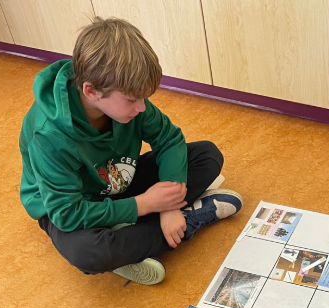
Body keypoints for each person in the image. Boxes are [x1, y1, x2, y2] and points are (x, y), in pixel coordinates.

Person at [19, 17, 243, 285]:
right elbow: (66, 214)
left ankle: (138, 236)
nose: (141, 108)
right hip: (70, 207)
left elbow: (169, 139)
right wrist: (146, 204)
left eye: (143, 98)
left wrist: (168, 206)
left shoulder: (130, 102)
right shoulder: (48, 135)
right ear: (91, 91)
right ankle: (187, 221)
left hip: (118, 184)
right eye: (131, 100)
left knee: (206, 156)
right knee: (89, 252)